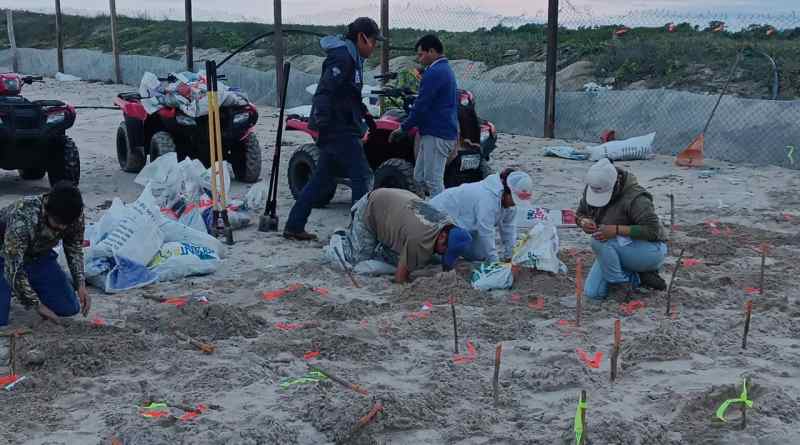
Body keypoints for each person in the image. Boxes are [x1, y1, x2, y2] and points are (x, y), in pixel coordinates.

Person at [284, 17, 384, 241]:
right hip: (338, 128)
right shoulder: (342, 58)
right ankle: (358, 235)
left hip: (343, 125)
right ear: (362, 37)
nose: (375, 47)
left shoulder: (352, 58)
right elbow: (325, 91)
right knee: (362, 176)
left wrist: (368, 118)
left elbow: (350, 94)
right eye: (374, 41)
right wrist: (322, 123)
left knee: (321, 179)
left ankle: (294, 225)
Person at [334, 188, 472, 284]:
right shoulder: (420, 238)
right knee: (358, 261)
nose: (444, 254)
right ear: (442, 237)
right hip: (372, 207)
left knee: (422, 258)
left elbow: (445, 258)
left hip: (397, 203)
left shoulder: (450, 224)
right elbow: (400, 278)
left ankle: (385, 242)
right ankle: (339, 238)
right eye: (445, 250)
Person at [576, 158, 668, 300]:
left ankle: (619, 285)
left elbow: (653, 231)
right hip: (617, 248)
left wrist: (617, 230)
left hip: (651, 249)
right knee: (593, 293)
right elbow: (580, 214)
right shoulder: (595, 186)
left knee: (598, 241)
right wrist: (583, 221)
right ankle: (639, 276)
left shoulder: (636, 198)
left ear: (616, 183)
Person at [1, 181, 91, 326]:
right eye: (57, 223)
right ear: (47, 209)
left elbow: (74, 247)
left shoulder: (74, 214)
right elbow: (14, 267)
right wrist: (37, 305)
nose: (62, 227)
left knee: (69, 308)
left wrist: (80, 284)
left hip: (38, 256)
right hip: (5, 257)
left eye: (66, 224)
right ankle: (17, 289)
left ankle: (25, 286)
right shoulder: (24, 215)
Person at [389, 34, 458, 198]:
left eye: (421, 54)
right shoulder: (443, 70)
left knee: (433, 181)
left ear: (432, 51)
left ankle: (439, 219)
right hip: (438, 131)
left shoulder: (435, 73)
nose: (419, 59)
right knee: (418, 177)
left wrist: (403, 127)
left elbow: (421, 106)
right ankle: (422, 213)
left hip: (437, 133)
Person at [430, 169, 534, 263]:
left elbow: (509, 228)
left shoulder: (509, 203)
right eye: (514, 199)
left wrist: (511, 256)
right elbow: (486, 232)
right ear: (506, 191)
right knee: (439, 257)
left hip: (467, 224)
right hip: (440, 217)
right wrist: (495, 263)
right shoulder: (487, 198)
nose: (514, 204)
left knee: (480, 255)